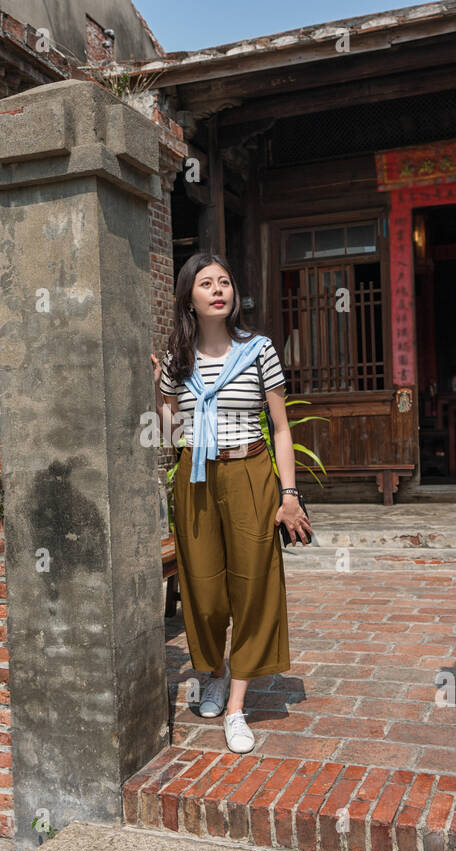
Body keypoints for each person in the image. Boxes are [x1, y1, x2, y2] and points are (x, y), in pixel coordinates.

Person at [149, 252, 311, 754]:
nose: (218, 289)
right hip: (195, 478)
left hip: (251, 472)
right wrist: (162, 393)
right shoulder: (178, 359)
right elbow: (168, 436)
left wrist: (289, 494)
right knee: (203, 588)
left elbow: (281, 429)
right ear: (189, 299)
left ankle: (237, 705)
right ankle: (214, 672)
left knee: (253, 584)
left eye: (224, 281)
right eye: (206, 283)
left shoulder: (259, 349)